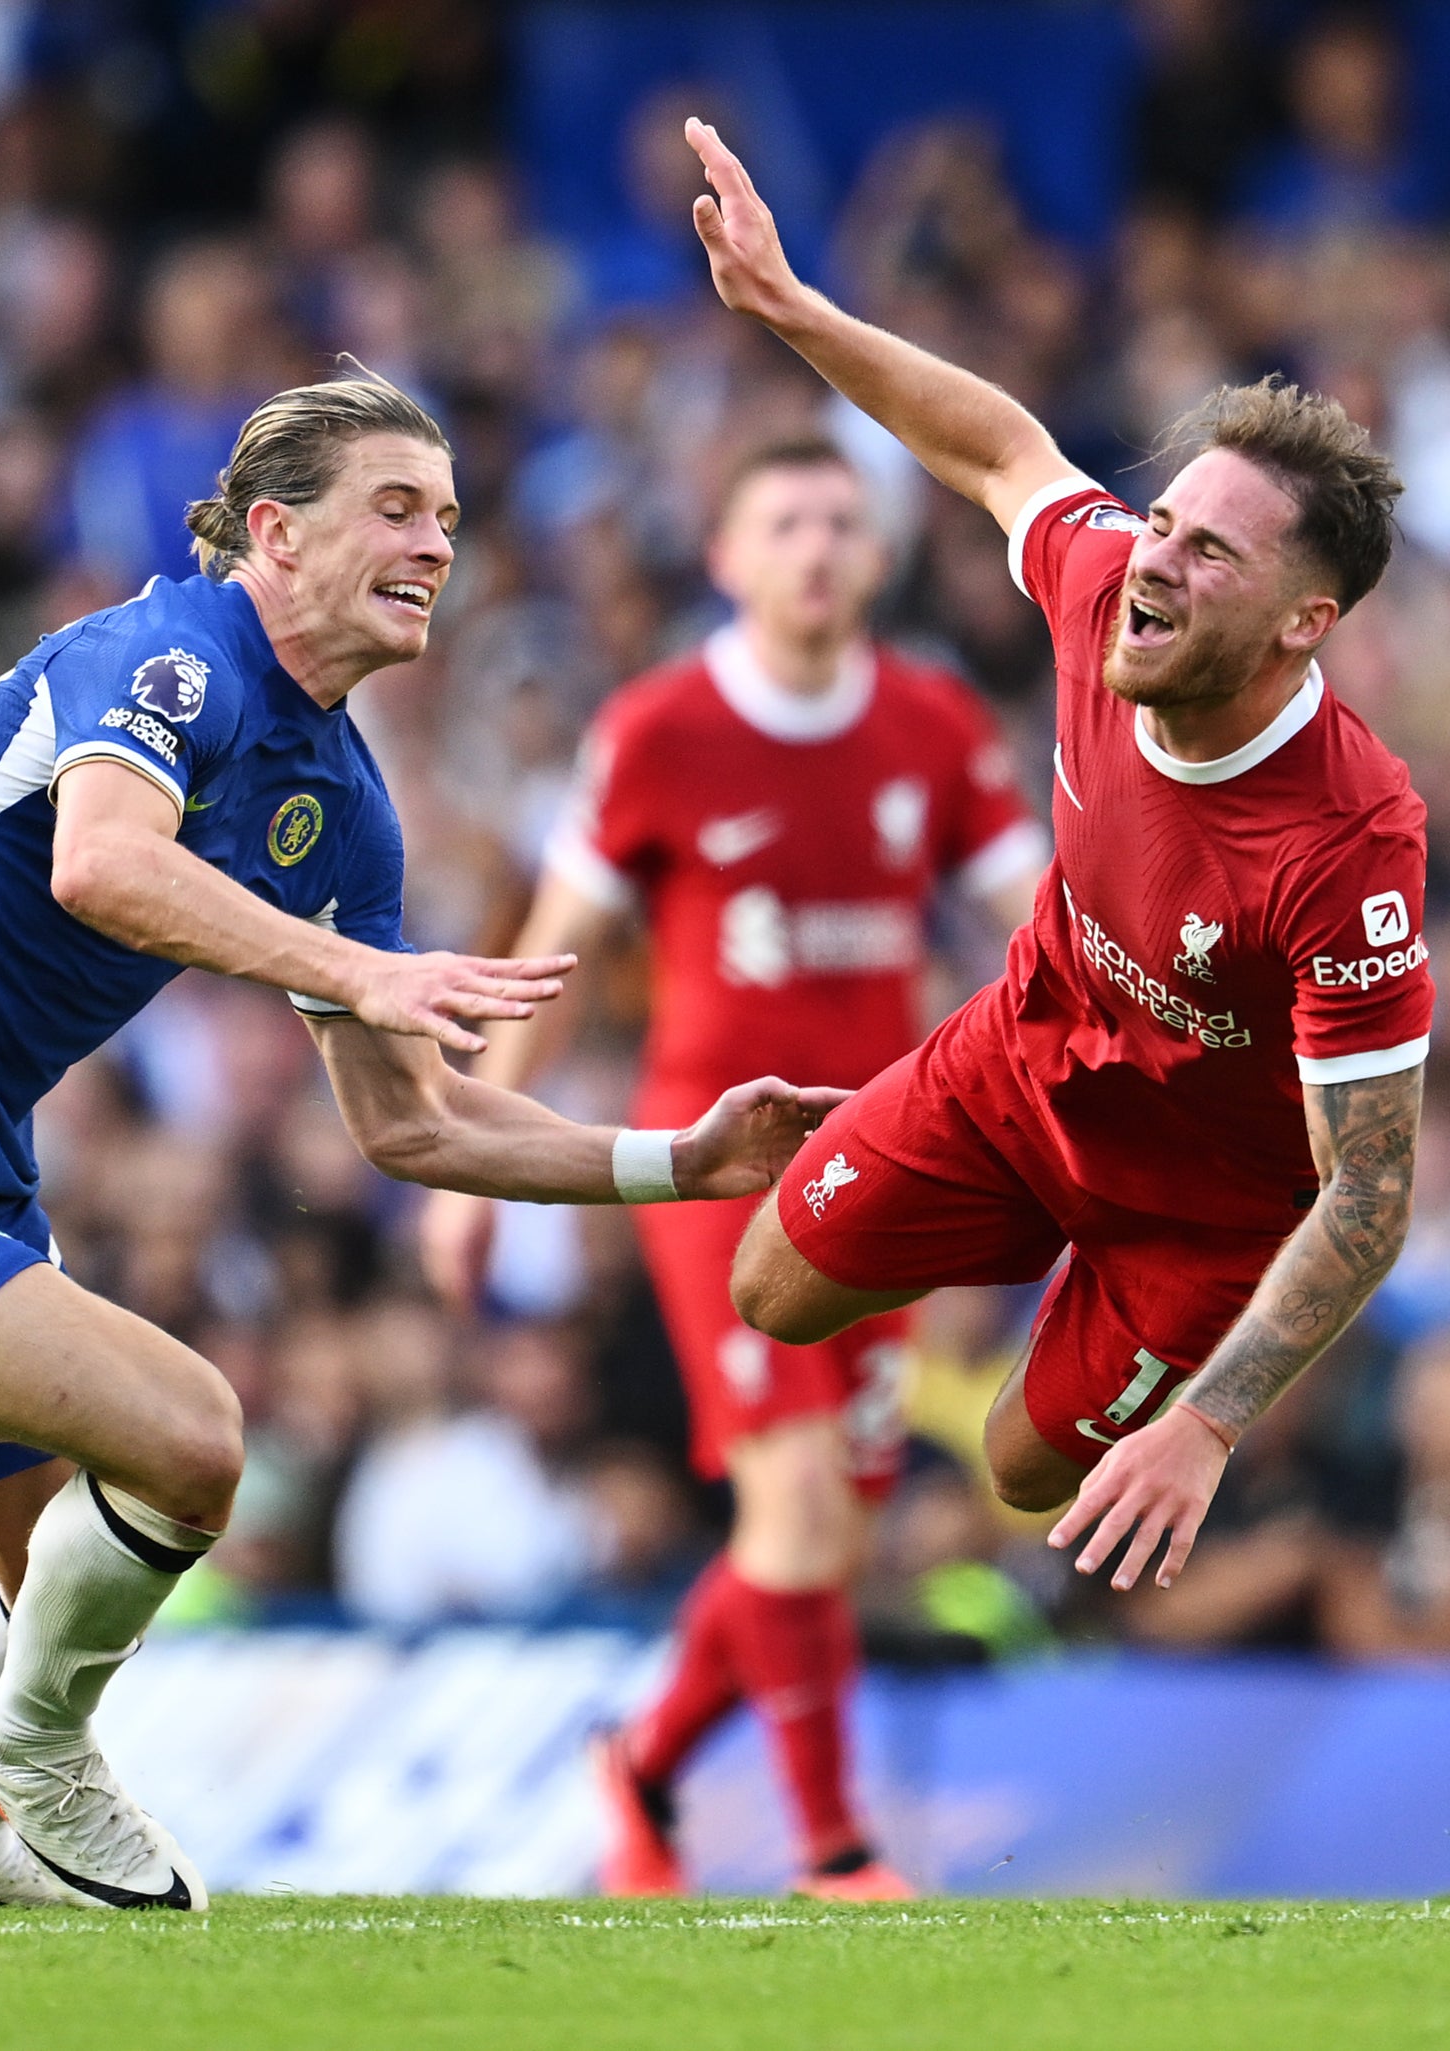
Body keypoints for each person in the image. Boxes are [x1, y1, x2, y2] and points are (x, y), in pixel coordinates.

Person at [0, 370, 842, 1911]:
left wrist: (676, 1160)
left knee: (52, 1589)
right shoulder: (169, 654)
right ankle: (32, 1754)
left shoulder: (342, 805)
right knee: (193, 1442)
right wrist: (351, 967)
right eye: (397, 509)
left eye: (451, 518)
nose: (437, 545)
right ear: (274, 535)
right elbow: (100, 865)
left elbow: (409, 1121)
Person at [684, 121, 1435, 1606]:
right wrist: (791, 308)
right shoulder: (1106, 592)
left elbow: (1372, 1193)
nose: (1154, 559)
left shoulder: (1348, 845)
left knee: (1027, 1474)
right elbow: (997, 450)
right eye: (1160, 521)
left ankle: (1092, 1290)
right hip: (1019, 1066)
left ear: (1304, 621)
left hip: (1204, 1210)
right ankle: (1005, 1208)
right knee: (768, 1290)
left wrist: (1211, 1425)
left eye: (1212, 554)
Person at [421, 433, 1045, 1900]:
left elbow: (1040, 930)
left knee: (817, 1528)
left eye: (842, 520)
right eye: (785, 521)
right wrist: (467, 1161)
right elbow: (552, 959)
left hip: (883, 1165)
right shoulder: (659, 730)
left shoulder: (935, 725)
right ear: (728, 558)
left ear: (877, 554)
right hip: (712, 1165)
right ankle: (834, 1852)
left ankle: (638, 1765)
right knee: (801, 1505)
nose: (818, 546)